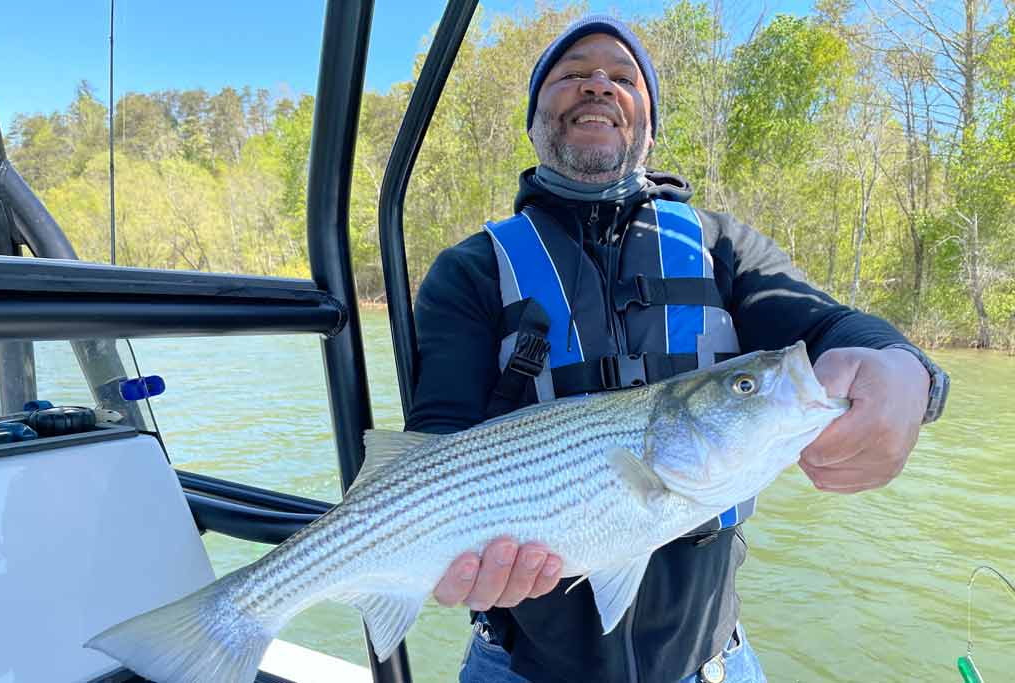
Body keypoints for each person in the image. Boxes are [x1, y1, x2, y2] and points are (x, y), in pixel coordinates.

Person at [404, 15, 950, 683]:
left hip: (715, 661)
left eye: (622, 78)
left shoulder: (722, 247)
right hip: (518, 666)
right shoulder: (470, 271)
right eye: (573, 74)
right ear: (533, 118)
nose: (598, 85)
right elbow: (432, 443)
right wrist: (443, 555)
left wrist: (905, 369)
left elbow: (829, 327)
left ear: (650, 123)